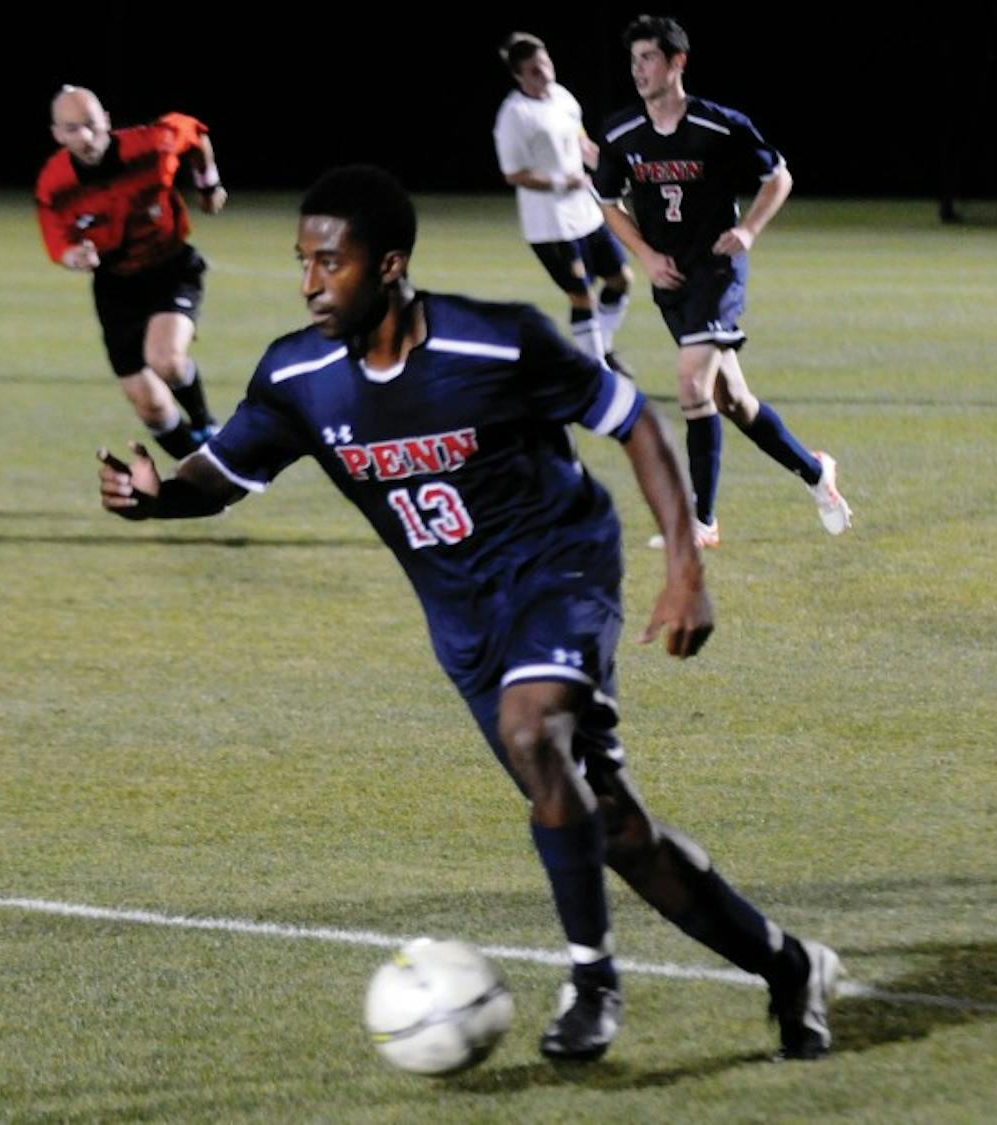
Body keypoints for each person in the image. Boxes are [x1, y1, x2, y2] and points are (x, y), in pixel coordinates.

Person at [96, 165, 840, 1063]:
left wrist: (685, 566)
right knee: (612, 828)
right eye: (302, 262)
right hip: (462, 620)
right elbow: (219, 479)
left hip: (560, 569)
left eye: (329, 262)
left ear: (390, 264)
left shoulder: (495, 343)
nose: (308, 282)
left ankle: (592, 979)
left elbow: (633, 420)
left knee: (536, 735)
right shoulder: (299, 374)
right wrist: (157, 497)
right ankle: (790, 965)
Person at [594, 16, 851, 549]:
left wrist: (749, 230)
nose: (638, 69)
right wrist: (644, 255)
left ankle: (701, 522)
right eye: (634, 60)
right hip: (671, 280)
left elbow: (778, 176)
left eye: (649, 58)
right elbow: (606, 202)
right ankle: (815, 472)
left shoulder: (718, 125)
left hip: (716, 270)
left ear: (677, 63)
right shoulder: (622, 132)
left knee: (690, 382)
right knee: (731, 399)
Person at [36, 85, 227, 459]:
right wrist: (74, 255)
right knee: (150, 406)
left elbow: (194, 131)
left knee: (166, 360)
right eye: (73, 129)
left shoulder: (152, 147)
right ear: (58, 135)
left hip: (171, 268)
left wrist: (209, 183)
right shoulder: (56, 183)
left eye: (91, 124)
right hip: (115, 288)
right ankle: (201, 475)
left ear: (106, 121)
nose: (86, 137)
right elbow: (58, 238)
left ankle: (205, 422)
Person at [493, 32, 635, 373]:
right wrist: (562, 180)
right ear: (518, 76)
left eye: (545, 64)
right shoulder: (514, 115)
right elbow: (513, 174)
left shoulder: (562, 97)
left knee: (621, 278)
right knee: (581, 295)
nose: (543, 74)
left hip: (585, 210)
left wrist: (602, 162)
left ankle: (600, 349)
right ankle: (598, 368)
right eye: (534, 70)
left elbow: (580, 139)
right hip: (549, 223)